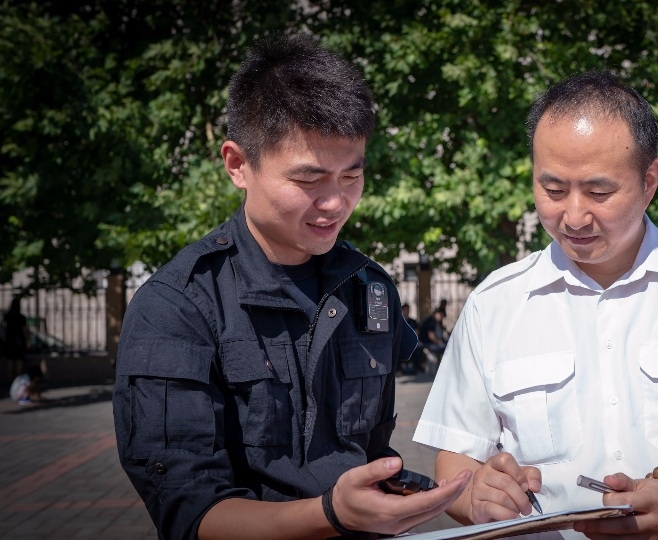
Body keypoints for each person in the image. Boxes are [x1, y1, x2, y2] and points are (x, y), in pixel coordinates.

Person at [112, 34, 470, 540]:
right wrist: (330, 514)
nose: (336, 203)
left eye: (352, 175)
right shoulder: (177, 305)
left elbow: (370, 454)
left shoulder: (369, 288)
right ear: (238, 164)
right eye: (308, 180)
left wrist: (452, 488)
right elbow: (189, 514)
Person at [413, 71, 658, 539]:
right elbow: (456, 456)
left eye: (598, 192)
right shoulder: (495, 304)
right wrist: (477, 497)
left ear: (649, 179)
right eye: (552, 190)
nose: (572, 216)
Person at [3, 297, 30, 382]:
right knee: (19, 359)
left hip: (9, 341)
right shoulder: (21, 317)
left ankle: (10, 380)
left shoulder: (7, 316)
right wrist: (27, 341)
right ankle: (17, 380)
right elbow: (25, 330)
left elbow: (3, 328)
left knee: (10, 360)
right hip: (19, 341)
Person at [401, 303, 425, 374]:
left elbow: (417, 332)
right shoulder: (400, 322)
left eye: (408, 310)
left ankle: (416, 366)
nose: (407, 311)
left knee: (419, 348)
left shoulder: (413, 322)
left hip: (412, 341)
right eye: (405, 310)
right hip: (403, 341)